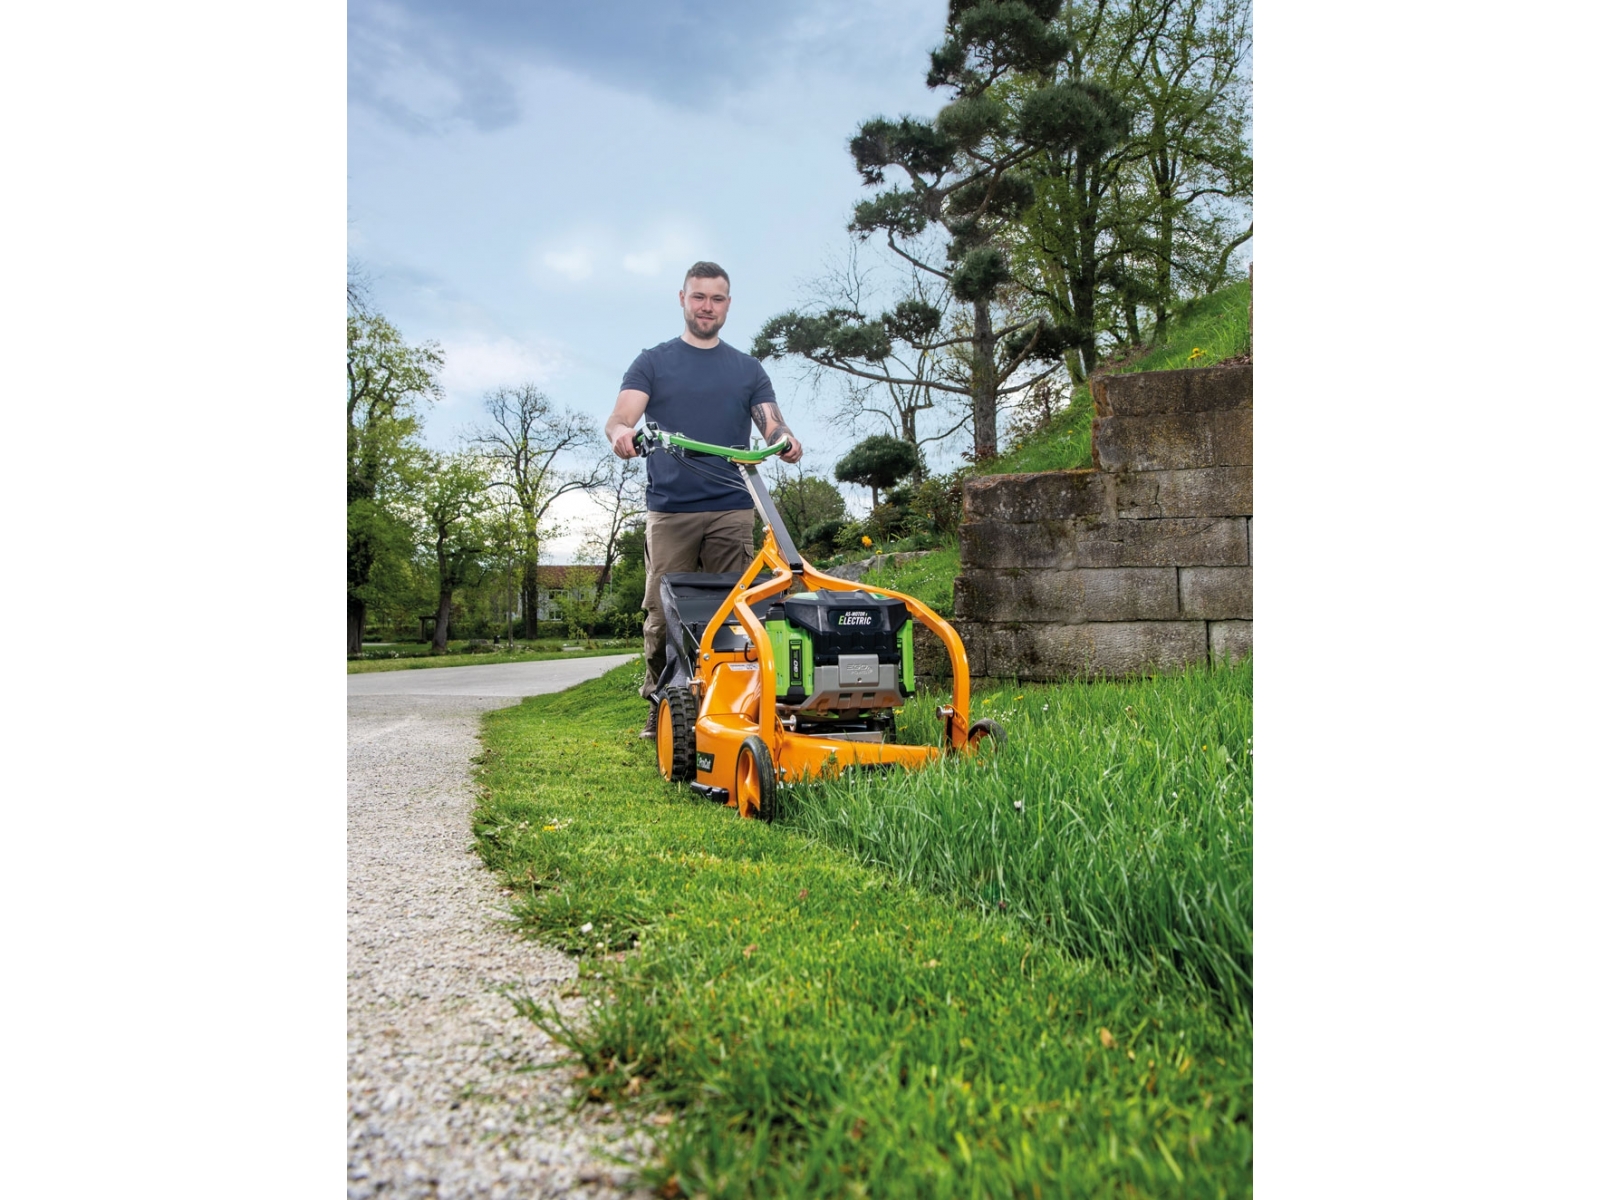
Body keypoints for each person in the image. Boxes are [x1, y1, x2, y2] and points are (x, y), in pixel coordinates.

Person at [604, 261, 803, 739]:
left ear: (728, 304)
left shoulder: (747, 369)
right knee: (661, 615)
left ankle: (728, 707)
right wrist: (622, 434)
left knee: (735, 611)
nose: (707, 307)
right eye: (699, 297)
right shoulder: (653, 362)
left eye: (716, 299)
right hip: (670, 508)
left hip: (732, 505)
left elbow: (772, 423)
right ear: (682, 299)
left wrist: (785, 439)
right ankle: (661, 703)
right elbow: (620, 417)